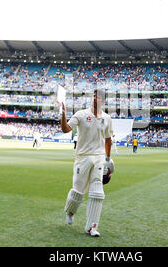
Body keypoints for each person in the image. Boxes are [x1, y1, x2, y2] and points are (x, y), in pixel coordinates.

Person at [60, 89, 114, 237]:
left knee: (97, 193)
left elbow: (108, 139)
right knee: (78, 191)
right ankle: (70, 211)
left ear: (103, 101)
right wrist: (63, 114)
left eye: (98, 97)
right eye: (94, 96)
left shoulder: (107, 118)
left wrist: (108, 159)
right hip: (82, 157)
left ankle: (92, 227)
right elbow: (65, 129)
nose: (95, 99)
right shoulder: (81, 115)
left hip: (99, 158)